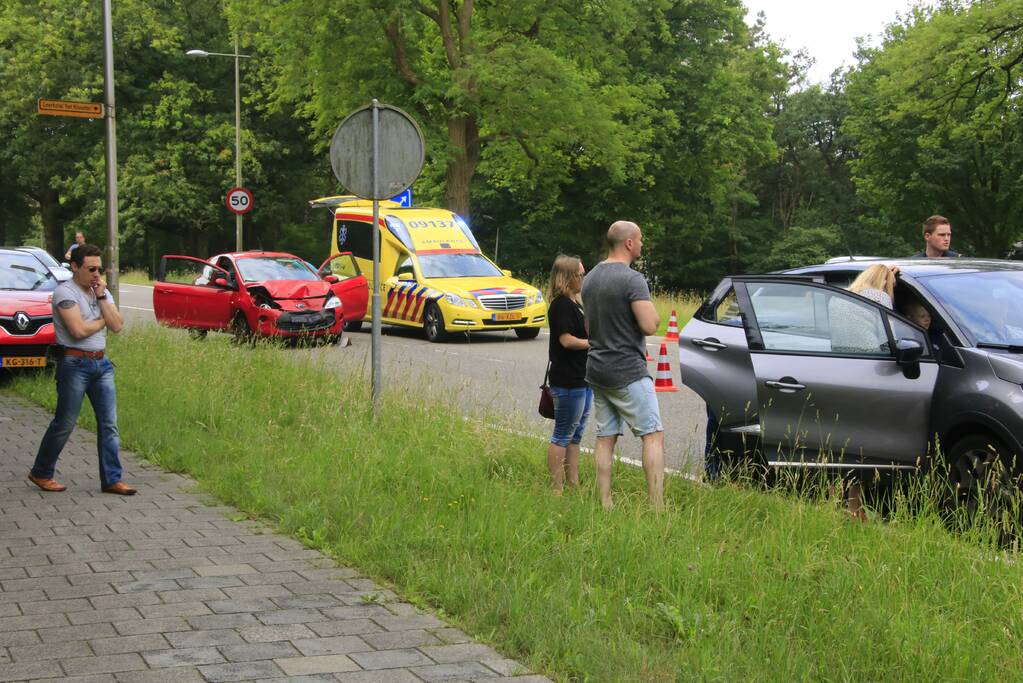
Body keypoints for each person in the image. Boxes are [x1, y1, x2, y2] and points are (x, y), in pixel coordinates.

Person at [28, 244, 135, 495]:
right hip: (74, 364)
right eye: (91, 269)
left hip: (102, 365)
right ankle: (41, 472)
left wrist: (102, 298)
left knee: (109, 425)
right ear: (75, 267)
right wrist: (104, 319)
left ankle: (112, 479)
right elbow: (77, 331)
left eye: (99, 269)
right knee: (65, 423)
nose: (96, 274)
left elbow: (118, 326)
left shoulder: (101, 292)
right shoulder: (65, 293)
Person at [581, 221, 664, 510]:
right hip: (627, 369)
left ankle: (605, 502)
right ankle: (657, 507)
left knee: (605, 437)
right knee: (652, 435)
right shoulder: (632, 279)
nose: (642, 244)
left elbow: (588, 326)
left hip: (597, 368)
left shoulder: (590, 277)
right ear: (628, 243)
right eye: (640, 239)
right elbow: (650, 325)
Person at [827, 263, 899, 520]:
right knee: (864, 447)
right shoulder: (880, 298)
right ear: (885, 283)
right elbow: (889, 338)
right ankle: (855, 507)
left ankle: (834, 499)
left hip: (842, 371)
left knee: (842, 443)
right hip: (870, 372)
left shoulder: (838, 299)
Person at [545, 255, 591, 495]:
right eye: (579, 274)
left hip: (582, 377)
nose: (583, 278)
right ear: (567, 277)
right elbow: (566, 340)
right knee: (563, 434)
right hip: (568, 379)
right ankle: (557, 488)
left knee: (576, 434)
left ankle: (573, 483)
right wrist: (593, 343)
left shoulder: (576, 302)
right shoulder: (561, 305)